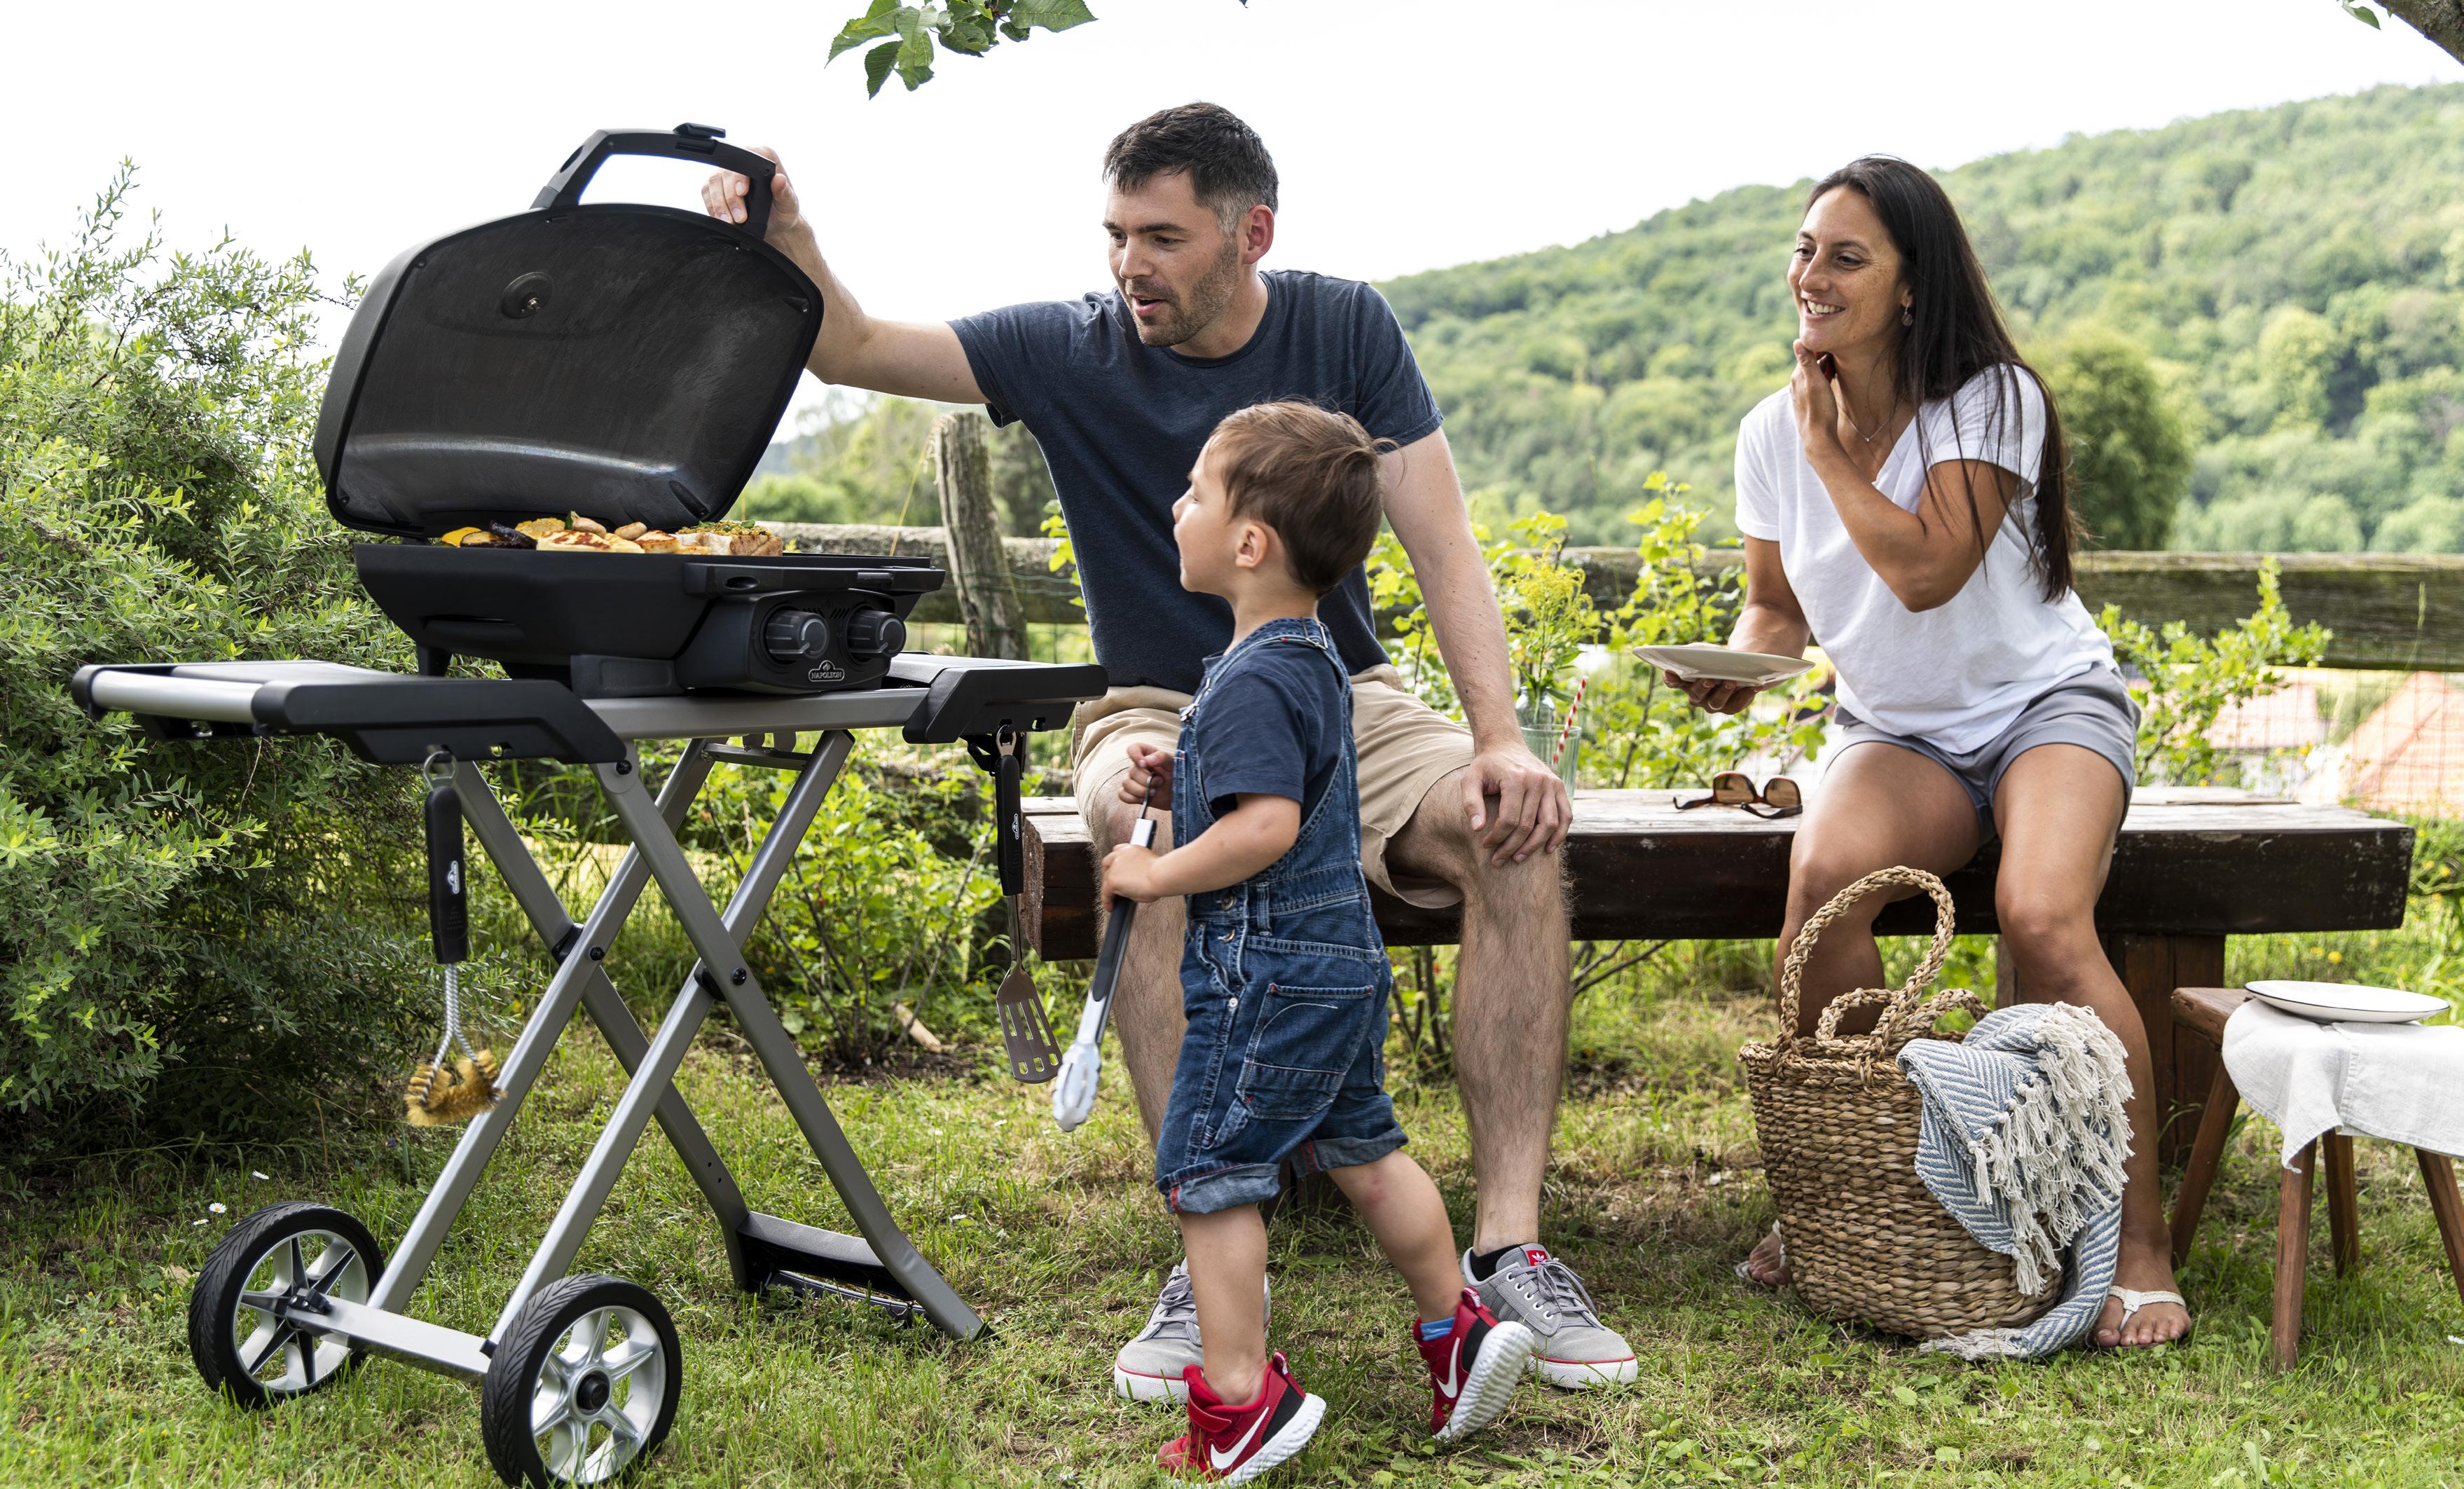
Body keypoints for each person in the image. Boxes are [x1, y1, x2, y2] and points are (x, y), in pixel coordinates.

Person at [703, 102, 1636, 1391]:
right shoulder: (1066, 349)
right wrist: (790, 233)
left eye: (1161, 237)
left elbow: (1441, 541)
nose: (1127, 264)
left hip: (1337, 690)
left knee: (1513, 832)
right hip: (1151, 704)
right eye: (1115, 234)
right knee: (1135, 835)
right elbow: (851, 346)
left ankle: (1510, 1249)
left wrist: (1500, 741)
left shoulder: (1344, 327)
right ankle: (1207, 1252)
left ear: (1252, 235)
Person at [1676, 156, 2188, 1349]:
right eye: (1804, 249)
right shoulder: (1769, 432)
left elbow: (1924, 571)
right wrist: (1735, 665)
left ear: (1910, 287)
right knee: (1820, 888)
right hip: (1897, 731)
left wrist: (1827, 450)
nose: (1811, 275)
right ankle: (1861, 1193)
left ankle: (2139, 1246)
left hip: (2045, 708)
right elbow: (1776, 609)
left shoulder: (1989, 399)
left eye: (1846, 257)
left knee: (2041, 917)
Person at [1100, 402, 1539, 1479]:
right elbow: (1276, 784)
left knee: (1210, 1169)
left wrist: (1155, 869)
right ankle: (1457, 1327)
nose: (1176, 507)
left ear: (1249, 543)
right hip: (1337, 967)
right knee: (1365, 1153)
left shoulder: (1250, 675)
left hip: (1264, 978)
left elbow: (1264, 827)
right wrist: (1186, 778)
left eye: (1196, 492)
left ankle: (1239, 1398)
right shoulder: (1306, 658)